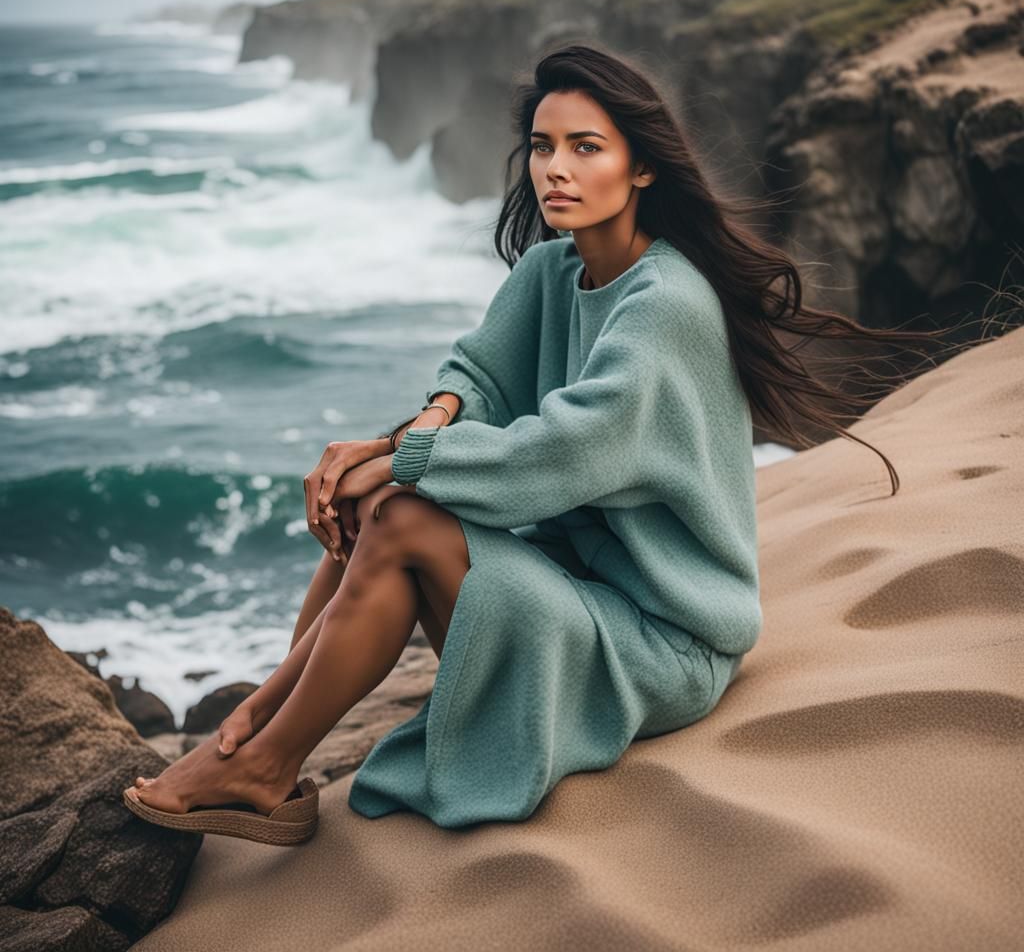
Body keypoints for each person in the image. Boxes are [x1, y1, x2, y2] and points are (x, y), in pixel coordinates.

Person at [124, 41, 973, 835]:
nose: (555, 169)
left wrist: (394, 459)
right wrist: (418, 430)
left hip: (662, 641)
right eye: (542, 146)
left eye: (585, 147)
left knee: (399, 513)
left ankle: (262, 756)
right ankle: (264, 721)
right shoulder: (552, 269)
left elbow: (563, 455)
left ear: (642, 166)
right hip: (575, 588)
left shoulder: (666, 306)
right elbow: (480, 374)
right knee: (383, 501)